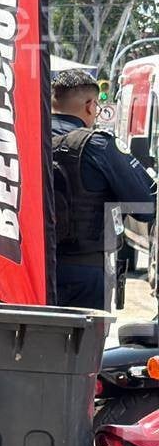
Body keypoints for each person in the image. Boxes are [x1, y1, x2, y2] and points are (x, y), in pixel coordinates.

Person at [50, 69, 156, 309]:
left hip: (25, 271)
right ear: (90, 105)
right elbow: (145, 207)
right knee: (83, 345)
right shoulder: (98, 145)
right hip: (84, 272)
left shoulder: (22, 140)